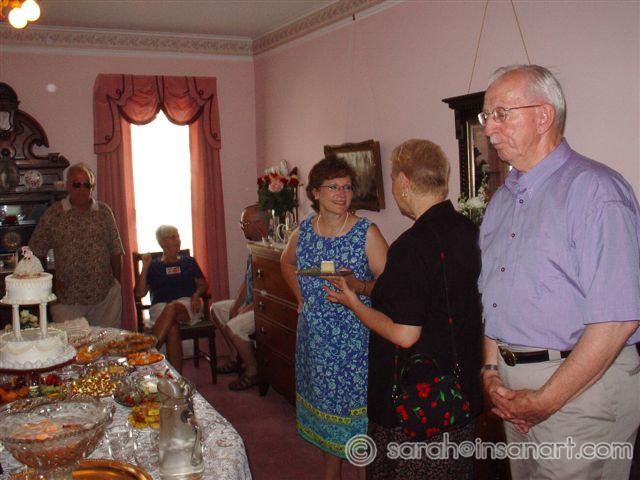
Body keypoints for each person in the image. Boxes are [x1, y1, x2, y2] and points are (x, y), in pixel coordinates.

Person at [478, 65, 640, 479]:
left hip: (583, 392)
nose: (489, 128)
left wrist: (546, 399)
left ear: (543, 116)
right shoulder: (501, 202)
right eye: (486, 116)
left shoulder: (596, 192)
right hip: (513, 386)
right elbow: (494, 299)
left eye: (501, 113)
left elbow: (618, 319)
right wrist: (491, 370)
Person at [325, 140, 483, 479]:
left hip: (419, 403)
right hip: (459, 392)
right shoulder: (469, 231)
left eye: (394, 179)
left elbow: (405, 334)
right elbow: (426, 295)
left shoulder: (411, 246)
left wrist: (353, 303)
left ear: (404, 182)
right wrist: (362, 286)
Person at [281, 155, 388, 480]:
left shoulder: (366, 233)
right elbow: (286, 262)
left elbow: (390, 287)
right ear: (315, 193)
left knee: (358, 434)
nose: (342, 194)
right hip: (315, 343)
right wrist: (301, 298)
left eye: (347, 187)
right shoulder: (304, 232)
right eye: (334, 187)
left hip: (354, 345)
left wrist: (359, 287)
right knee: (327, 424)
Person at [29, 163, 124, 328]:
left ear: (92, 187)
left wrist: (116, 283)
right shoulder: (54, 213)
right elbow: (36, 251)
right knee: (70, 343)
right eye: (76, 184)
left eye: (86, 184)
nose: (82, 189)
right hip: (67, 299)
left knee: (109, 342)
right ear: (68, 186)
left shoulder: (104, 211)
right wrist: (50, 282)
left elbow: (116, 250)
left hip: (104, 297)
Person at [210, 204, 270, 391]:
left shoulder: (270, 249)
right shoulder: (254, 246)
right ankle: (236, 357)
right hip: (251, 302)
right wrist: (236, 305)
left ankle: (253, 371)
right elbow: (247, 281)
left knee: (233, 326)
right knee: (216, 309)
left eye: (245, 224)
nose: (242, 228)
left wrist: (248, 308)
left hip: (265, 307)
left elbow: (268, 292)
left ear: (259, 224)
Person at [134, 225, 208, 374]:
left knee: (172, 307)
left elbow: (203, 284)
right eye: (172, 237)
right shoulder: (154, 266)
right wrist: (145, 267)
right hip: (160, 307)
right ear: (162, 242)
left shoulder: (188, 261)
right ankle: (177, 378)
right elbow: (139, 293)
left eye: (178, 236)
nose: (177, 240)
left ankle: (148, 354)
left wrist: (196, 295)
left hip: (187, 305)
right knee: (172, 327)